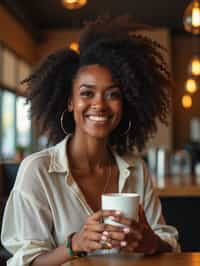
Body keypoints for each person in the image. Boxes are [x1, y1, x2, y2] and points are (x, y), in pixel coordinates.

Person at [1, 15, 179, 266]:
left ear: (125, 104)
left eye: (112, 94)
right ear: (70, 102)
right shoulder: (38, 170)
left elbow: (168, 246)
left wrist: (150, 242)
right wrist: (74, 245)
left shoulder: (136, 169)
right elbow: (25, 262)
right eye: (87, 93)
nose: (99, 104)